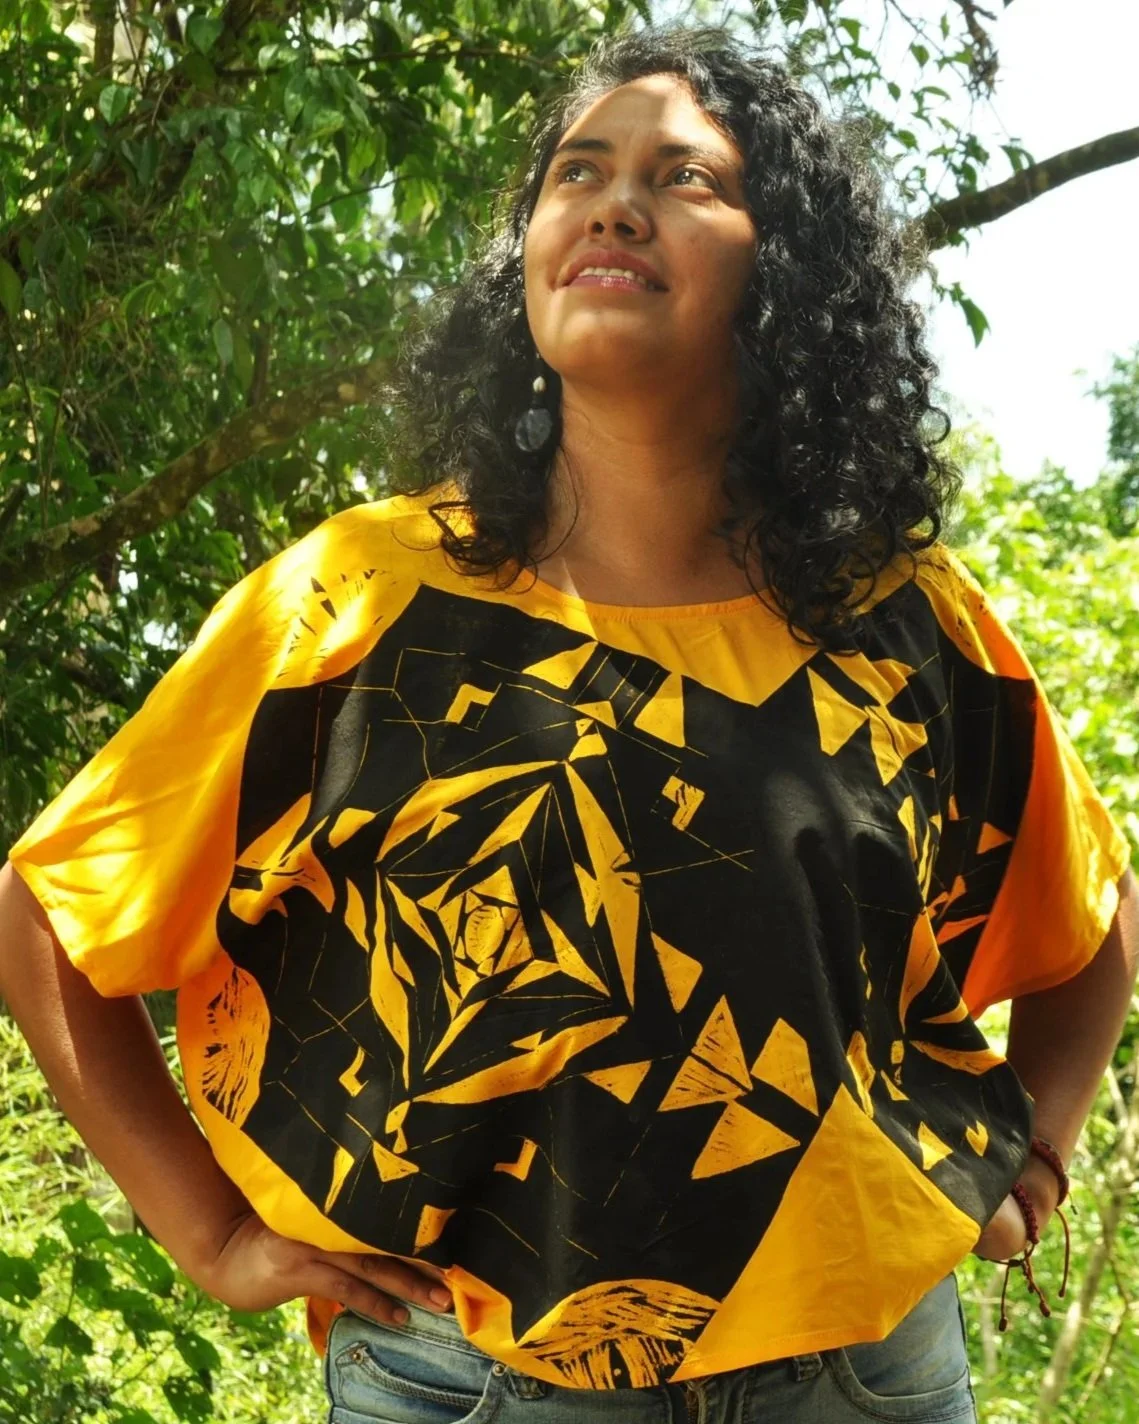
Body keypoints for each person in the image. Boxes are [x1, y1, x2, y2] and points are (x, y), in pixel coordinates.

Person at [0, 23, 1134, 1424]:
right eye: (575, 171)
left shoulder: (902, 618)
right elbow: (52, 914)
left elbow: (1090, 907)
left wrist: (1039, 1155)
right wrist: (210, 1234)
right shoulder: (359, 601)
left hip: (867, 1373)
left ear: (782, 273)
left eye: (683, 177)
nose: (611, 200)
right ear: (526, 254)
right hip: (463, 1381)